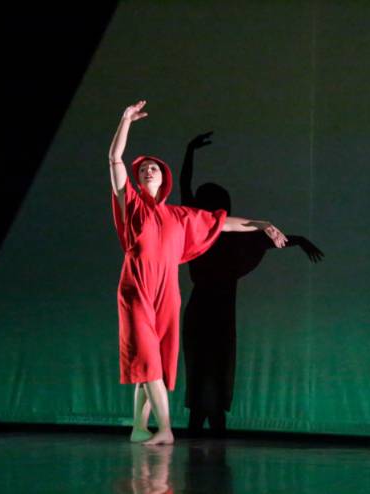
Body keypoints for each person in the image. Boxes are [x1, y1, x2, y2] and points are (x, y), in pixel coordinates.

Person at [109, 100, 288, 445]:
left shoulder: (180, 216)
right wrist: (126, 120)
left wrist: (261, 223)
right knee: (148, 359)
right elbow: (115, 159)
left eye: (154, 168)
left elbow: (222, 223)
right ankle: (165, 429)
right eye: (143, 169)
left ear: (164, 178)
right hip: (136, 289)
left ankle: (138, 427)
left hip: (167, 293)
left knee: (154, 362)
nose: (148, 171)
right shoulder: (130, 203)